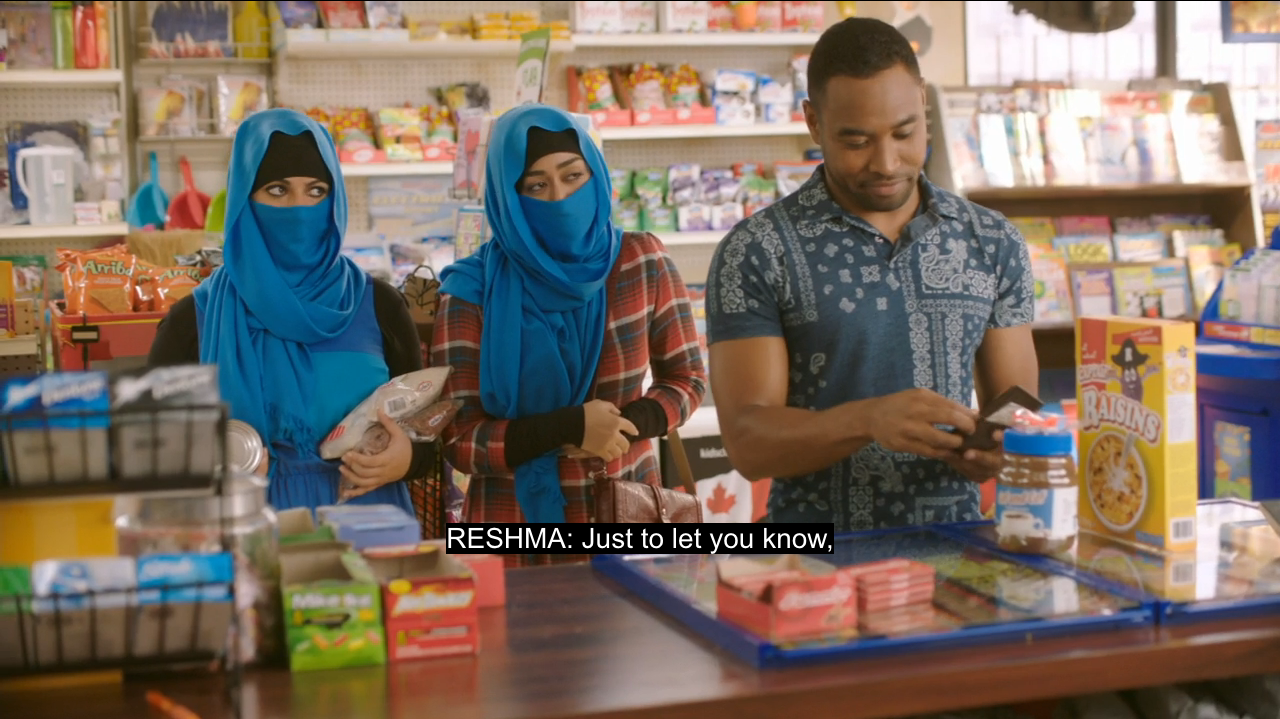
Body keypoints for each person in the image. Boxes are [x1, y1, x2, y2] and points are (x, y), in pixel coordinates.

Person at [704, 18, 1038, 530]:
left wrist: (999, 451)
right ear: (813, 123)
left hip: (955, 551)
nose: (886, 162)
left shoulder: (992, 240)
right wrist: (868, 420)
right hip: (814, 558)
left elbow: (1017, 415)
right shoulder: (757, 250)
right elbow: (749, 445)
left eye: (904, 133)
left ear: (923, 103)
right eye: (857, 141)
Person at [431, 104, 706, 565]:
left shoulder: (641, 261)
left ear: (595, 174)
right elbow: (459, 439)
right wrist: (567, 428)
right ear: (508, 197)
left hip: (627, 512)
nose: (559, 198)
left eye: (573, 176)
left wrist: (624, 425)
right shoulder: (472, 289)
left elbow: (688, 379)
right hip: (512, 528)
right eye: (536, 185)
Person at [149, 108, 431, 515]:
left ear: (335, 200)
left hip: (370, 527)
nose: (300, 208)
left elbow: (426, 436)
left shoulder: (379, 305)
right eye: (278, 190)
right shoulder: (195, 319)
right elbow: (150, 451)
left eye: (316, 191)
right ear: (245, 201)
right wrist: (209, 469)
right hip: (248, 530)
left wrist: (408, 460)